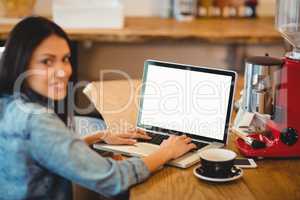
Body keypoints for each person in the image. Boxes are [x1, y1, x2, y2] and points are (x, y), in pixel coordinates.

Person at [0, 16, 196, 199]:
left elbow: (49, 150)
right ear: (21, 62)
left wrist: (99, 137)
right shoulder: (37, 120)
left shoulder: (10, 103)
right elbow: (113, 179)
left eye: (65, 59)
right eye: (47, 61)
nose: (62, 71)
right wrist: (166, 152)